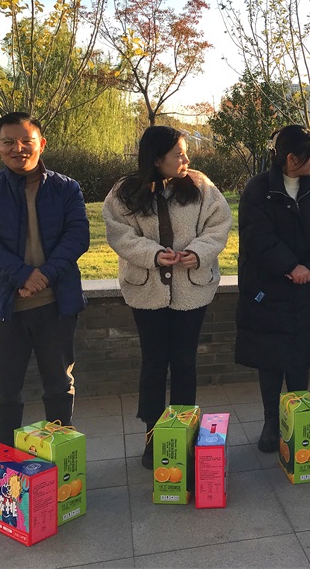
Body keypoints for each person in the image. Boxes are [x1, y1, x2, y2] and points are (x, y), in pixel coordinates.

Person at [103, 126, 232, 468]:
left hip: (192, 290)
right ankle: (153, 435)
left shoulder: (200, 185)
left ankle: (183, 433)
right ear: (157, 158)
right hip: (147, 291)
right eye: (179, 154)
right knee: (154, 362)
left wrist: (198, 252)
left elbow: (219, 225)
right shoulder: (125, 192)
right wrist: (154, 254)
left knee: (185, 362)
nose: (186, 159)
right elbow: (119, 234)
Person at [0, 112, 89, 446]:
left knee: (59, 387)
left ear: (41, 144)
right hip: (4, 309)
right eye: (9, 142)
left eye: (26, 141)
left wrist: (43, 275)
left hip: (55, 305)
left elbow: (77, 237)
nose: (17, 148)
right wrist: (22, 275)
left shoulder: (66, 188)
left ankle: (62, 462)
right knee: (4, 393)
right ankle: (5, 465)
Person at [235, 125, 310, 452]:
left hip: (307, 290)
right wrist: (289, 266)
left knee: (300, 357)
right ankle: (271, 421)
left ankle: (297, 419)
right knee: (270, 358)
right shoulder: (258, 190)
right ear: (292, 157)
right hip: (268, 291)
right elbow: (257, 237)